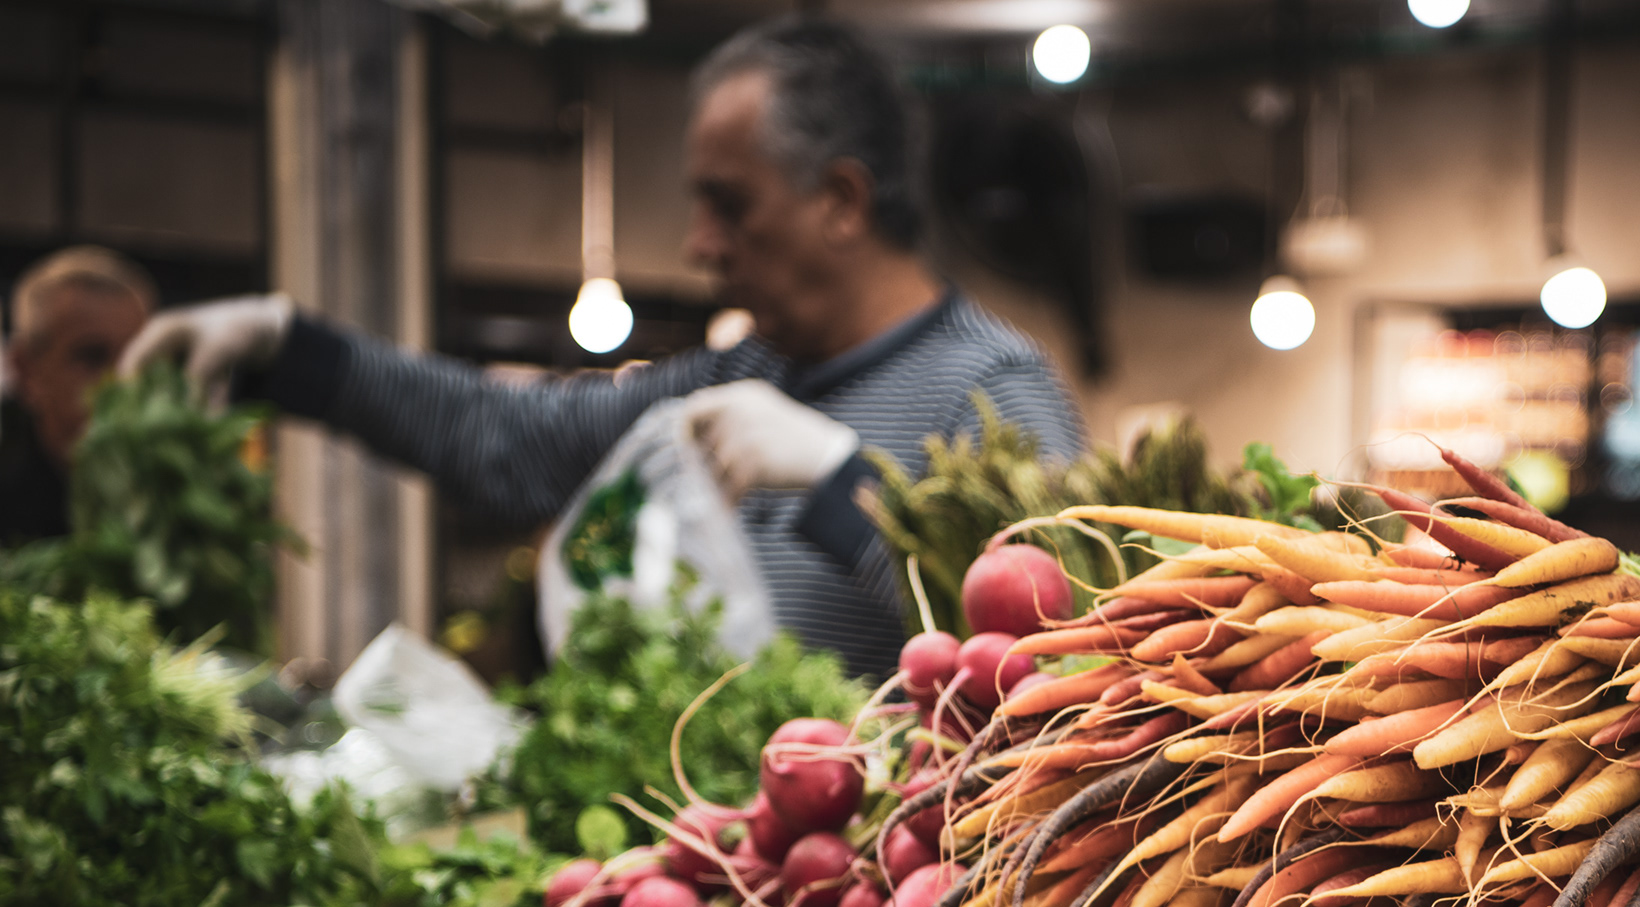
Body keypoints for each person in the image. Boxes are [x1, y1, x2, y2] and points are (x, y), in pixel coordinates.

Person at [122, 19, 1085, 677]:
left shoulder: (993, 392)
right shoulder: (738, 378)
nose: (699, 245)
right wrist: (292, 353)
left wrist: (846, 488)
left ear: (841, 202)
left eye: (730, 205)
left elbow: (1071, 641)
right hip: (728, 888)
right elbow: (510, 437)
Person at [1, 247, 156, 542]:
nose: (121, 382)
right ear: (27, 372)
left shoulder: (167, 497)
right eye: (93, 357)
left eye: (138, 359)